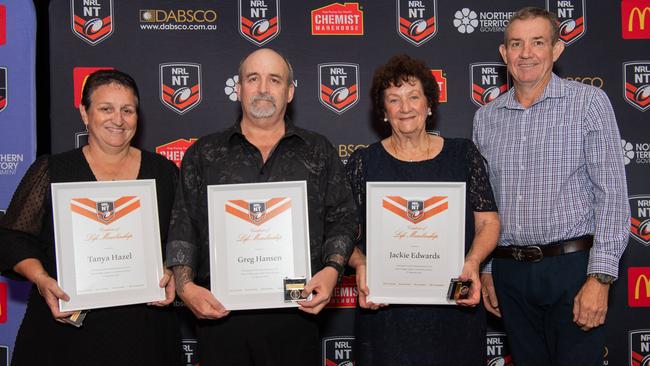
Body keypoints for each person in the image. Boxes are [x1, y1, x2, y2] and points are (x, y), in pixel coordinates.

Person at [165, 48, 357, 366]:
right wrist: (185, 287)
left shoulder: (318, 150)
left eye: (275, 79)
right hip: (220, 313)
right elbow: (183, 224)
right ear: (238, 89)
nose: (264, 88)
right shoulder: (204, 153)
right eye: (253, 78)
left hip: (298, 312)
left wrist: (331, 269)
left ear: (290, 91)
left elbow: (344, 216)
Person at [472, 7, 630, 366]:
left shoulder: (589, 103)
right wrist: (488, 269)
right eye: (516, 44)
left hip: (573, 269)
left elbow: (613, 197)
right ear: (504, 53)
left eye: (538, 42)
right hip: (509, 272)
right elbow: (485, 205)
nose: (526, 53)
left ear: (557, 50)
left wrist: (600, 278)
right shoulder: (486, 118)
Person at [0, 69, 182, 365]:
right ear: (85, 114)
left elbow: (185, 239)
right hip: (65, 331)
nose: (118, 120)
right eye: (106, 109)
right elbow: (10, 239)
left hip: (144, 330)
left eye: (128, 110)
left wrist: (172, 269)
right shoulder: (52, 170)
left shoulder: (163, 173)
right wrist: (42, 278)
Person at [345, 54, 500, 365]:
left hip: (455, 307)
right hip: (386, 313)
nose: (405, 107)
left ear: (429, 104)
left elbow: (488, 223)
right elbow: (341, 233)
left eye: (414, 96)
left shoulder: (463, 155)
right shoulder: (364, 163)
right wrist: (361, 264)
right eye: (394, 99)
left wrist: (473, 262)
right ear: (383, 112)